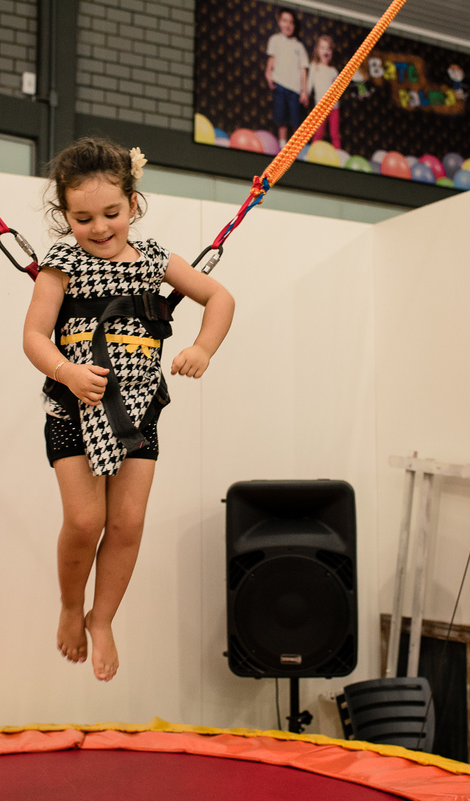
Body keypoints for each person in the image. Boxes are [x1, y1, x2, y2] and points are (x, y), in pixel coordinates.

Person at [22, 137, 234, 681]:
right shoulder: (60, 263)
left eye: (111, 213)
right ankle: (72, 605)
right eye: (83, 217)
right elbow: (34, 337)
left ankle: (103, 617)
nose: (99, 228)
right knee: (86, 519)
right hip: (73, 409)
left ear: (133, 205)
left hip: (137, 413)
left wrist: (202, 348)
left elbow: (220, 298)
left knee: (128, 523)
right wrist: (66, 371)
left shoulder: (156, 260)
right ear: (65, 216)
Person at [265, 8, 309, 148]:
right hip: (280, 85)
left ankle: (296, 146)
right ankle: (282, 143)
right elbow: (271, 60)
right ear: (279, 22)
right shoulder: (275, 40)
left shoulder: (299, 46)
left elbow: (303, 70)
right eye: (285, 21)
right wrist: (268, 74)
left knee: (296, 119)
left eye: (291, 22)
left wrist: (303, 91)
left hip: (295, 89)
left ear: (294, 26)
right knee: (281, 116)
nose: (288, 25)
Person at [307, 34, 342, 149]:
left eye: (328, 48)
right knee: (318, 133)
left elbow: (337, 89)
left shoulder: (333, 71)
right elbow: (309, 84)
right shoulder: (314, 66)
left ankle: (338, 154)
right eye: (322, 48)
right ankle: (313, 152)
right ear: (317, 51)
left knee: (335, 134)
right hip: (320, 107)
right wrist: (305, 95)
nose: (326, 51)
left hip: (334, 107)